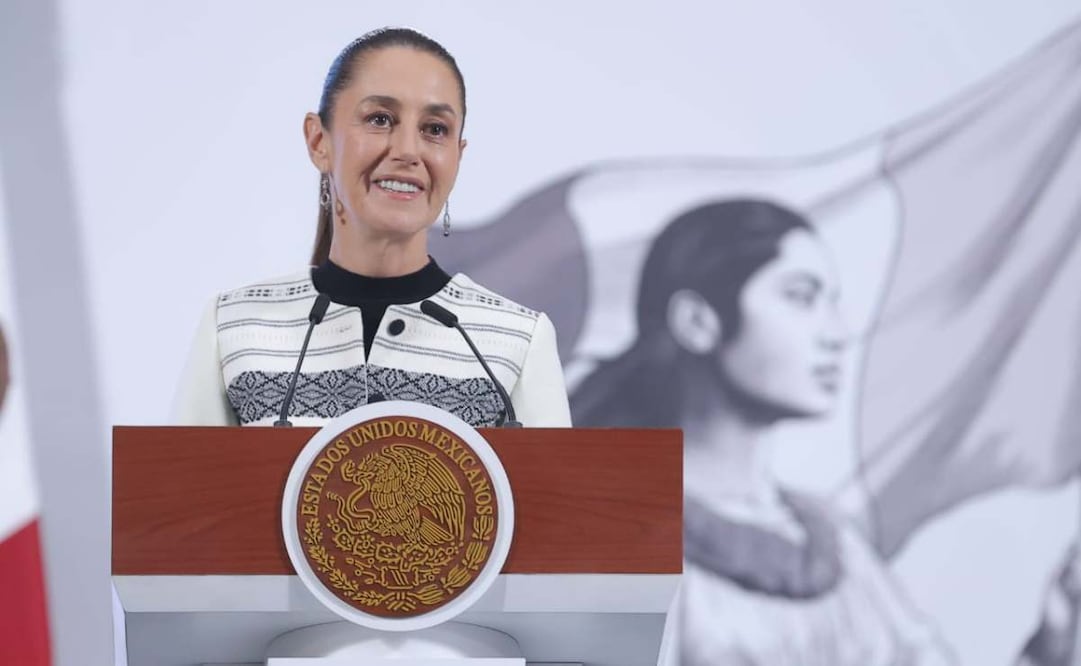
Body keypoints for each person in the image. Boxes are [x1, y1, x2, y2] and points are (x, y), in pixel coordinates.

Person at [571, 199, 954, 665]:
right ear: (698, 321)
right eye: (800, 296)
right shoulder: (611, 535)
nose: (836, 334)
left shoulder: (835, 543)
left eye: (832, 302)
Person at [173, 28, 570, 428]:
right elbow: (180, 489)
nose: (408, 151)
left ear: (457, 156)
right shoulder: (233, 327)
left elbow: (552, 492)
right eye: (380, 119)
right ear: (318, 141)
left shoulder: (517, 340)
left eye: (435, 129)